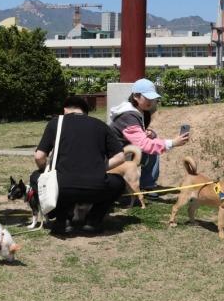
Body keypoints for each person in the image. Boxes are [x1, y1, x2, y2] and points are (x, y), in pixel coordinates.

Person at [34, 96, 127, 235]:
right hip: (96, 188)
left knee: (35, 178)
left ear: (65, 109)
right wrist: (100, 169)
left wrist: (44, 170)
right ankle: (93, 221)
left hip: (62, 187)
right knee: (118, 182)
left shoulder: (55, 123)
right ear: (85, 111)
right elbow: (121, 156)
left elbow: (39, 156)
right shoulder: (100, 125)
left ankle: (62, 220)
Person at [109, 78, 190, 195]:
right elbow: (144, 145)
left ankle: (147, 185)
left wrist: (149, 133)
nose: (151, 101)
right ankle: (141, 185)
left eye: (153, 98)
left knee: (153, 142)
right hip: (113, 156)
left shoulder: (138, 111)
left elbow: (137, 136)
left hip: (124, 151)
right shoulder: (129, 116)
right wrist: (172, 143)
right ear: (136, 96)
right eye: (147, 98)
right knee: (152, 148)